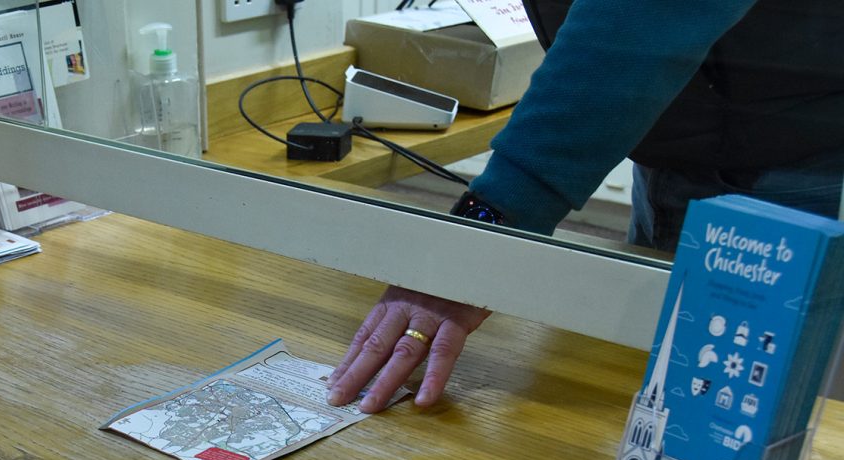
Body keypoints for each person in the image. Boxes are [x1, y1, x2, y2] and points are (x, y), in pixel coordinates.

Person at [325, 0, 844, 413]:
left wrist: (488, 228)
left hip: (800, 169)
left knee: (754, 426)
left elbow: (647, 15)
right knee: (651, 406)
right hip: (683, 155)